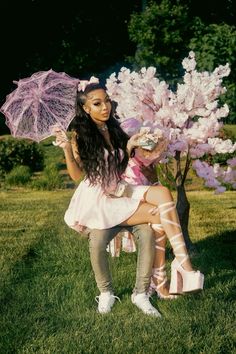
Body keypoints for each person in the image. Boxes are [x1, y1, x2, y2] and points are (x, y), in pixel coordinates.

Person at [52, 79, 204, 315]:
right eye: (97, 103)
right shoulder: (80, 136)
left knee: (163, 194)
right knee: (157, 214)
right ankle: (155, 282)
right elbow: (76, 175)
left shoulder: (113, 129)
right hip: (100, 199)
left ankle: (181, 264)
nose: (105, 107)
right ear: (85, 108)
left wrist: (133, 143)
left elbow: (120, 163)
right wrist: (66, 149)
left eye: (107, 101)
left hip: (120, 189)